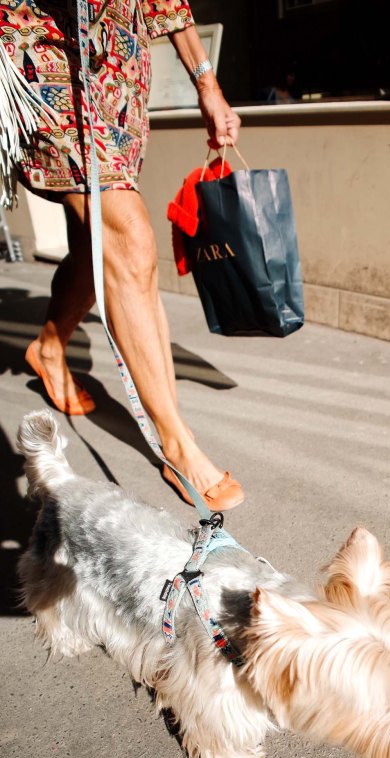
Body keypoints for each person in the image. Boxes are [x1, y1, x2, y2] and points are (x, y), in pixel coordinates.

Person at [0, 0, 243, 511]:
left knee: (95, 247)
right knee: (128, 236)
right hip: (47, 62)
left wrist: (209, 87)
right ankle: (176, 442)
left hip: (118, 77)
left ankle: (48, 347)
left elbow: (167, 4)